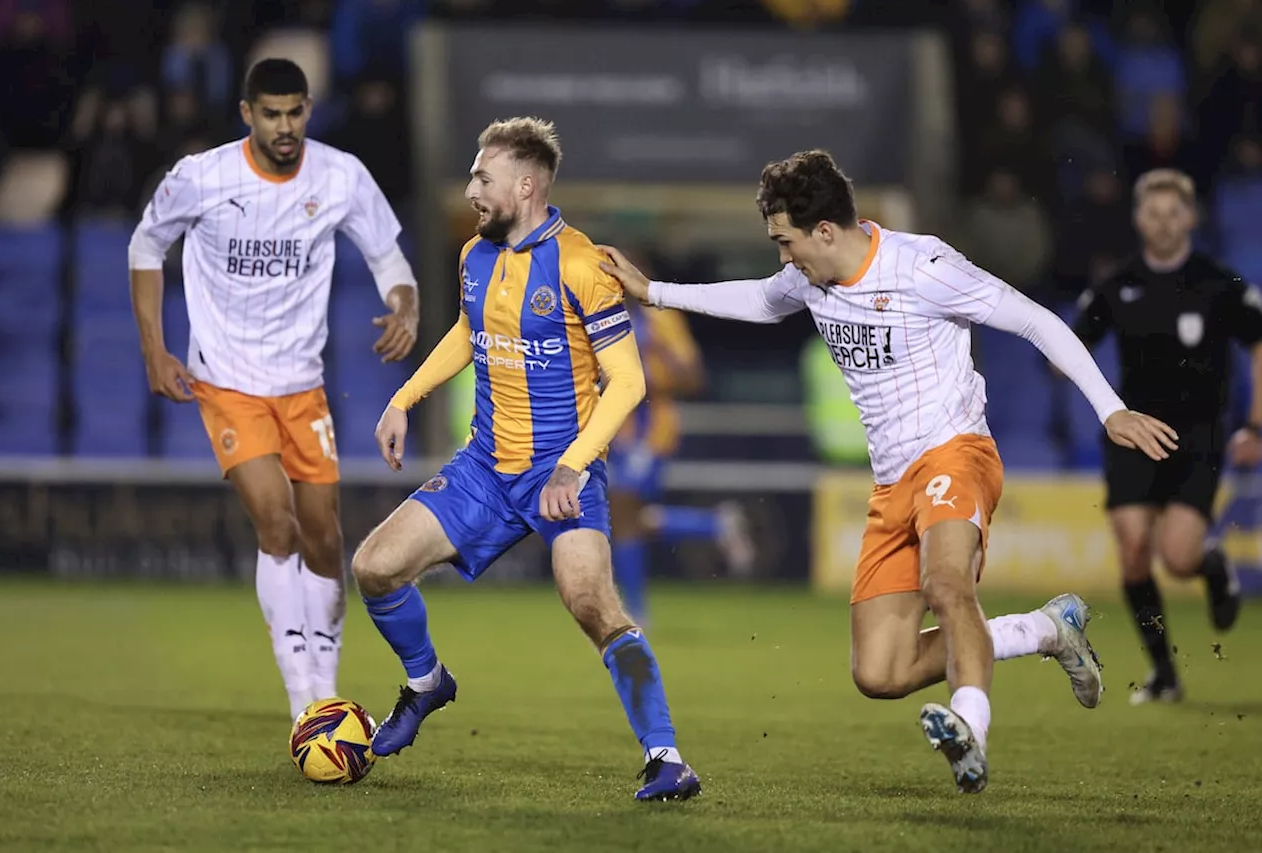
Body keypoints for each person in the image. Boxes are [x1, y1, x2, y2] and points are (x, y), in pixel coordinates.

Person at [599, 150, 1178, 794]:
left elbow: (1037, 321)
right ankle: (1043, 629)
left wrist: (1111, 410)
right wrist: (652, 292)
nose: (783, 259)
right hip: (890, 482)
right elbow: (761, 302)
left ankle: (971, 732)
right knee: (880, 673)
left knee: (947, 585)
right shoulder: (806, 278)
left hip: (955, 452)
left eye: (785, 241)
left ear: (825, 231)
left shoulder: (922, 266)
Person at [349, 117, 700, 803]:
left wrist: (572, 466)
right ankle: (426, 684)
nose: (471, 188)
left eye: (483, 177)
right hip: (484, 466)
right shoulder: (473, 254)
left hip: (560, 470)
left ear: (527, 184)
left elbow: (627, 381)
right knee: (375, 567)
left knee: (591, 600)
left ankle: (667, 758)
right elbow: (467, 330)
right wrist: (404, 398)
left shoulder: (581, 264)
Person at [127, 59, 420, 721]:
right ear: (246, 114)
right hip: (227, 381)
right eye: (271, 114)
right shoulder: (202, 178)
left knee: (323, 538)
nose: (285, 127)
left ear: (308, 110)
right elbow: (146, 248)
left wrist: (404, 306)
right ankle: (302, 701)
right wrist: (154, 348)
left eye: (295, 113)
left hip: (302, 385)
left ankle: (325, 679)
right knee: (276, 521)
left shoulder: (340, 175)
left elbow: (389, 257)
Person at [1072, 168, 1260, 705]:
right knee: (1133, 550)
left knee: (1177, 558)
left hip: (1197, 437)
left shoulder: (1218, 283)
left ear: (1191, 217)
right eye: (1153, 212)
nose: (1163, 222)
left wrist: (1256, 425)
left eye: (1173, 211)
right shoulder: (1118, 283)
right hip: (1133, 431)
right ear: (1138, 219)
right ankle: (1163, 674)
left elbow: (1259, 343)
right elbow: (1071, 343)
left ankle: (1209, 563)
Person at [609, 286, 755, 626]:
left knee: (624, 513)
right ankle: (715, 525)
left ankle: (636, 611)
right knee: (629, 521)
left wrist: (652, 368)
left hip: (649, 431)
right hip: (614, 431)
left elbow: (693, 376)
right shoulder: (599, 317)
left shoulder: (661, 319)